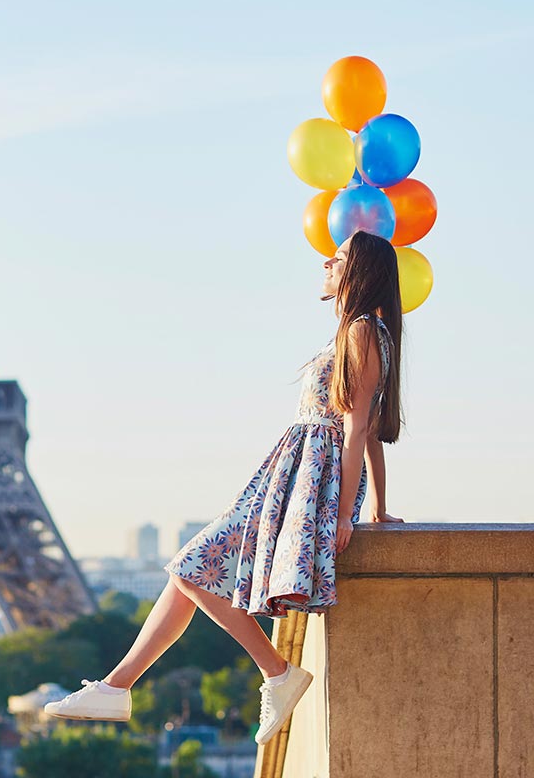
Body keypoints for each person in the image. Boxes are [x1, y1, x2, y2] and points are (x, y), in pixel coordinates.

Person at [44, 230, 407, 744]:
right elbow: (367, 430)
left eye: (340, 257)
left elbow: (357, 429)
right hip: (296, 472)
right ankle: (116, 686)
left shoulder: (363, 332)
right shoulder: (359, 331)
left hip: (312, 477)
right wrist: (378, 504)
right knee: (187, 573)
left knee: (193, 564)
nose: (327, 261)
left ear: (361, 272)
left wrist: (350, 512)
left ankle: (276, 672)